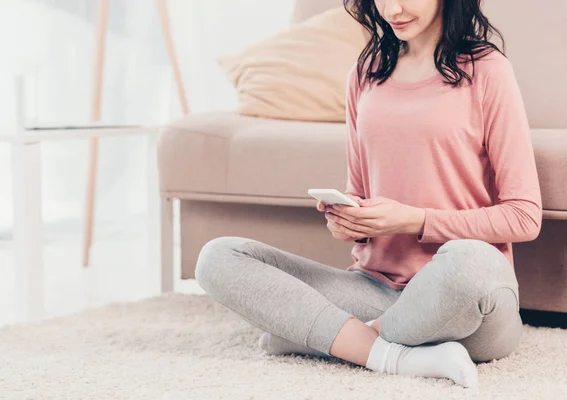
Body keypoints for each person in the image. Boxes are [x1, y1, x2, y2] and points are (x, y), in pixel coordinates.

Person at [195, 0, 542, 388]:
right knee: (219, 256)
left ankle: (331, 339)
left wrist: (414, 220)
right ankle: (388, 354)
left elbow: (524, 216)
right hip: (376, 290)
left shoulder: (487, 71)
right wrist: (352, 221)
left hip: (467, 302)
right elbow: (358, 191)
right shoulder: (366, 73)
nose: (393, 8)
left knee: (471, 259)